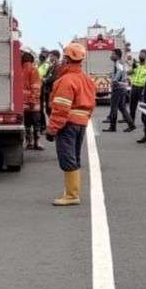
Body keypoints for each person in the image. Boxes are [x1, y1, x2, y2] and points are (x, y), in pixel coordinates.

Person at [45, 43, 97, 206]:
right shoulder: (86, 79)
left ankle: (72, 195)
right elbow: (91, 104)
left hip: (68, 124)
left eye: (64, 58)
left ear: (67, 59)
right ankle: (71, 192)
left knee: (67, 158)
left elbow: (60, 108)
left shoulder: (66, 80)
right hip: (81, 124)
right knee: (74, 157)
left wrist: (52, 129)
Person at [104, 48, 133, 132]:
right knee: (122, 107)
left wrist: (114, 80)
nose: (111, 56)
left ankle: (112, 127)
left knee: (114, 107)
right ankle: (131, 124)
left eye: (113, 54)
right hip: (122, 87)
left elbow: (120, 72)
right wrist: (112, 75)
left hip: (118, 88)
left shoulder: (119, 62)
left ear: (117, 55)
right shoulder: (119, 63)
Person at [22, 48, 45, 150]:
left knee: (26, 123)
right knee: (36, 123)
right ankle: (37, 142)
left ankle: (28, 142)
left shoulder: (19, 69)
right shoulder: (33, 69)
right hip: (33, 103)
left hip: (22, 103)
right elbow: (36, 86)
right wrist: (32, 99)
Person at [128, 49, 146, 132]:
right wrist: (132, 68)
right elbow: (128, 73)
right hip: (134, 87)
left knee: (143, 106)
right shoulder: (135, 64)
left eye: (143, 55)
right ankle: (131, 123)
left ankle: (145, 122)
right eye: (140, 55)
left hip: (143, 88)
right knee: (132, 106)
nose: (141, 56)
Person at [40, 49, 62, 130]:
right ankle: (53, 126)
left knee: (50, 109)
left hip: (53, 90)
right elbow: (44, 74)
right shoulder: (51, 65)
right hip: (48, 90)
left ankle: (55, 126)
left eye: (51, 56)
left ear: (55, 56)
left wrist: (45, 80)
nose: (50, 57)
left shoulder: (58, 66)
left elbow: (54, 77)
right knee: (48, 109)